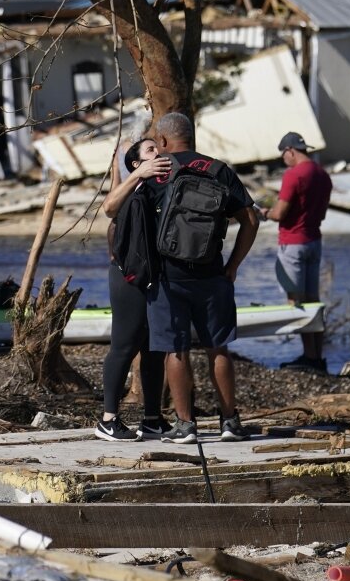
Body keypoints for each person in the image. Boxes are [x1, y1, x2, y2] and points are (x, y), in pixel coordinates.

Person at [143, 113, 259, 444]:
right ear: (192, 138)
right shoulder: (219, 170)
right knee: (217, 347)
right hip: (212, 273)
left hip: (167, 276)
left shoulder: (157, 173)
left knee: (175, 350)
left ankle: (186, 425)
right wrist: (233, 265)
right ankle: (229, 422)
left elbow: (127, 220)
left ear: (163, 141)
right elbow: (250, 220)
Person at [95, 136, 171, 442]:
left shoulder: (158, 186)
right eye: (151, 150)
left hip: (153, 277)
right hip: (127, 278)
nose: (158, 153)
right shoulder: (135, 186)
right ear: (137, 164)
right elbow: (109, 207)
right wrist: (133, 174)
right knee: (124, 345)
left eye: (159, 148)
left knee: (153, 349)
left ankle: (152, 418)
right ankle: (108, 419)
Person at [261, 131, 332, 374]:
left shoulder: (293, 175)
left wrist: (265, 213)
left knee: (297, 302)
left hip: (292, 244)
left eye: (284, 155)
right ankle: (317, 357)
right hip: (314, 241)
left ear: (290, 150)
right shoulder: (323, 175)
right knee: (314, 301)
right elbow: (321, 213)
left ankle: (308, 358)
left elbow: (280, 213)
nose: (284, 160)